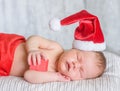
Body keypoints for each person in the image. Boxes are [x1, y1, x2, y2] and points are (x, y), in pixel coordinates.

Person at [0, 33, 106, 84]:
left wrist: (55, 77)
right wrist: (32, 49)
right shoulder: (56, 48)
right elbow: (34, 39)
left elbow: (28, 75)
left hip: (4, 67)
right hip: (8, 45)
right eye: (78, 57)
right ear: (73, 48)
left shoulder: (51, 74)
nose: (75, 65)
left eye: (81, 71)